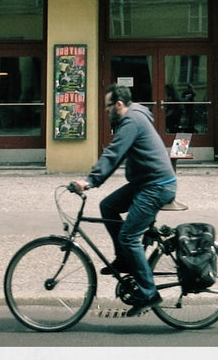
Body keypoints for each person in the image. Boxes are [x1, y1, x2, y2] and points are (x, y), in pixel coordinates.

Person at [69, 85, 178, 316]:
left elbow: (113, 154)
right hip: (146, 182)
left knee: (129, 236)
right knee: (107, 205)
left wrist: (90, 181)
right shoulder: (135, 115)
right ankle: (124, 259)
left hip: (157, 186)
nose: (105, 110)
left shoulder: (132, 121)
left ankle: (149, 292)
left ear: (119, 105)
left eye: (108, 106)